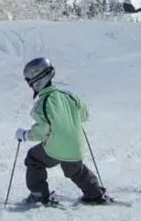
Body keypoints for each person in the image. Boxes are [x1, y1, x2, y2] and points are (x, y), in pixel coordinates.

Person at [15, 57, 108, 205]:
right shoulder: (69, 96)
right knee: (75, 169)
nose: (30, 85)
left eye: (29, 81)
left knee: (34, 159)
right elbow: (84, 115)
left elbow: (41, 131)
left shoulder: (43, 103)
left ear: (38, 79)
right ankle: (94, 193)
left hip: (55, 148)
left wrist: (25, 135)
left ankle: (39, 195)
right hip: (75, 146)